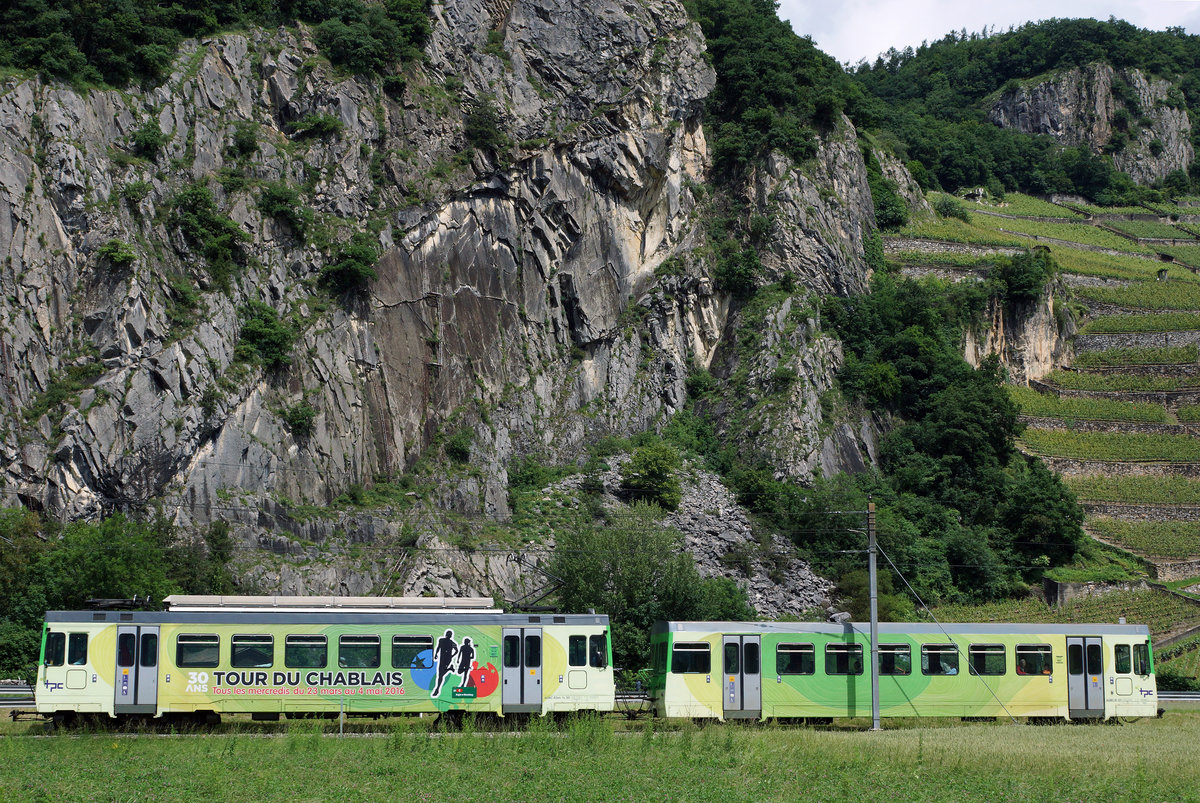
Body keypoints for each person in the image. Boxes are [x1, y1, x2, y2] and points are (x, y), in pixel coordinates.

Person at [432, 629, 459, 696]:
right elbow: (456, 651)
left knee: (440, 675)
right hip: (447, 659)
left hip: (443, 659)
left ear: (446, 634)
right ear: (451, 636)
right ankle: (450, 669)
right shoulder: (452, 643)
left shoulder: (441, 640)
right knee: (440, 674)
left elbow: (438, 647)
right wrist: (451, 656)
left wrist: (436, 655)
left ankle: (437, 689)